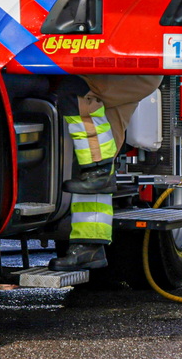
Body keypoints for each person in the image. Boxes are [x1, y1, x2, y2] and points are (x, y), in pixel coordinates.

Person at [48, 72, 166, 273]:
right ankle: (89, 246)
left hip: (131, 69)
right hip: (120, 69)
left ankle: (98, 169)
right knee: (94, 149)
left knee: (75, 90)